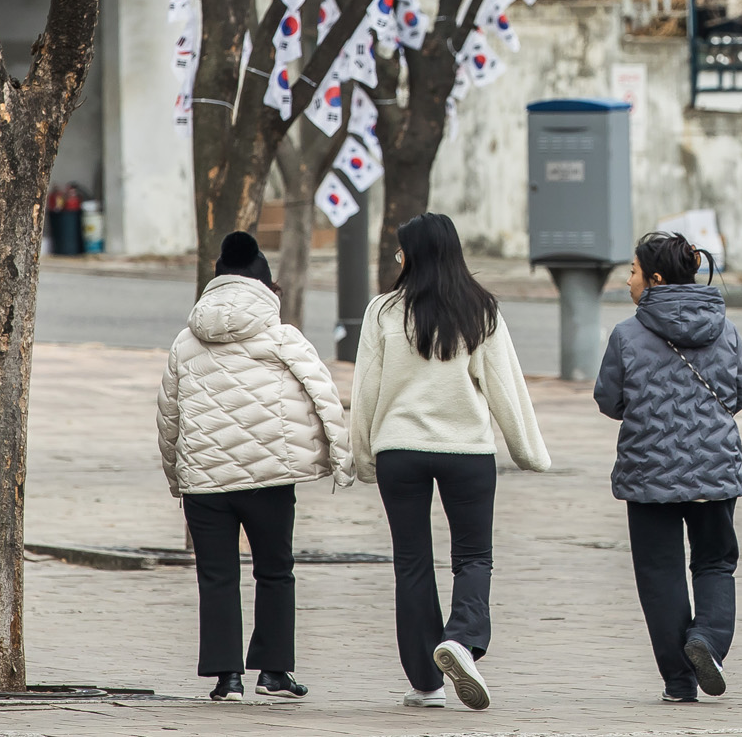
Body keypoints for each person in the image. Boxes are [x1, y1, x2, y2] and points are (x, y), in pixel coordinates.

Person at [345, 213, 550, 711]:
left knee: (412, 564)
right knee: (474, 557)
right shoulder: (481, 309)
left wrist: (362, 457)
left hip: (400, 451)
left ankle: (426, 684)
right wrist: (529, 452)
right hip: (468, 453)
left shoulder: (383, 311)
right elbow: (505, 386)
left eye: (400, 251)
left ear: (411, 255)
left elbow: (365, 389)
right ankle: (461, 639)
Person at [157, 231, 348, 702]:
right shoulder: (282, 337)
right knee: (275, 570)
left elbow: (168, 415)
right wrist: (342, 462)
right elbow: (326, 397)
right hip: (269, 476)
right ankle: (275, 672)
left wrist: (175, 475)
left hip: (204, 480)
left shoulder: (185, 341)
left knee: (216, 576)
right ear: (266, 285)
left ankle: (228, 678)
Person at [594, 232, 742, 704]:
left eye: (634, 272)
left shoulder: (627, 334)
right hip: (714, 469)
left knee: (659, 573)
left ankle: (679, 682)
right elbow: (741, 393)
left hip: (650, 475)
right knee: (715, 562)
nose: (628, 281)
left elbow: (609, 400)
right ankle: (706, 639)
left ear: (656, 279)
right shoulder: (725, 327)